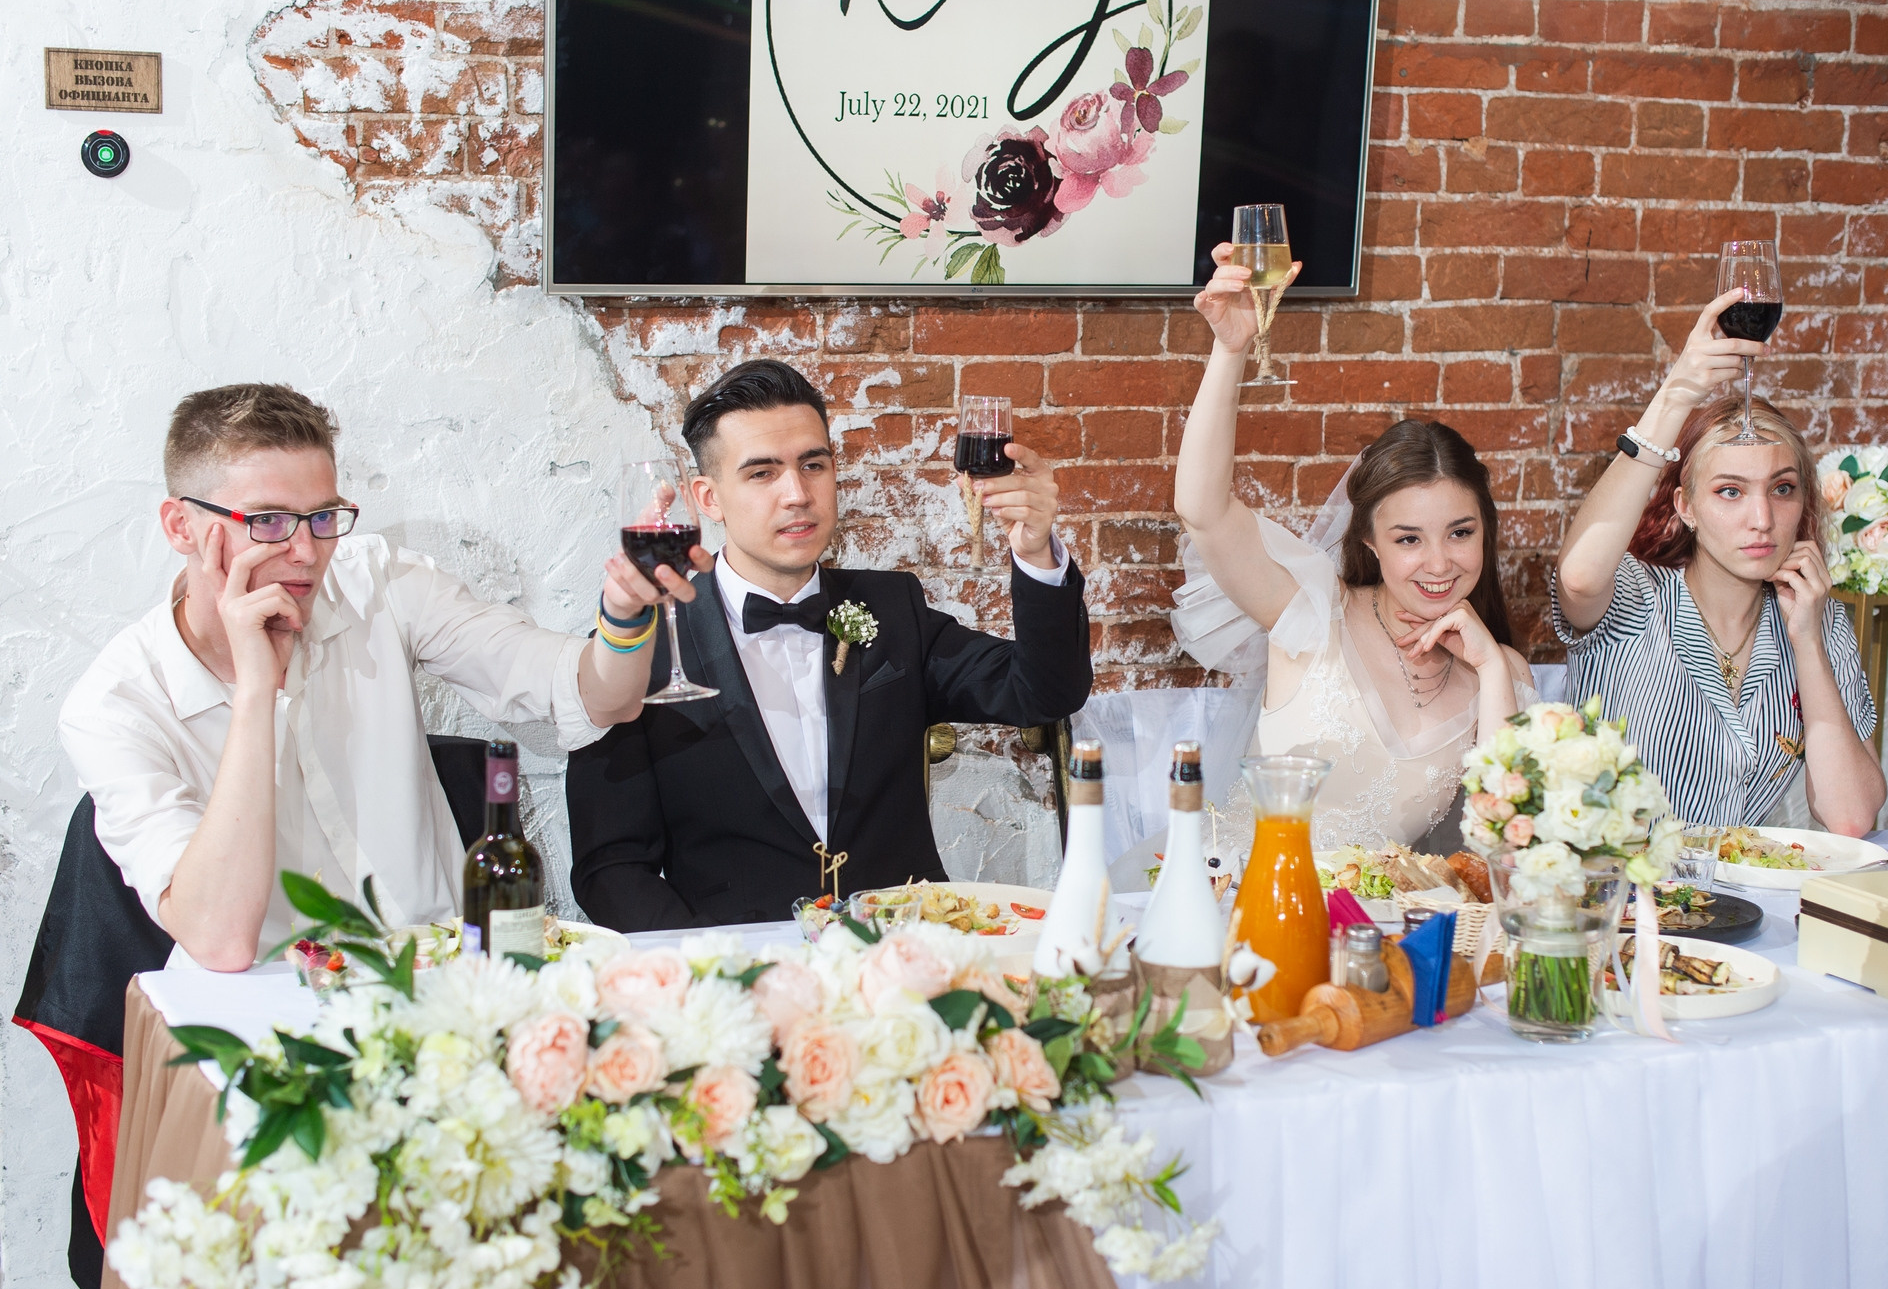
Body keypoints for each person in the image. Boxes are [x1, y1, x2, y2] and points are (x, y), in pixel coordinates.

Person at [59, 384, 696, 972]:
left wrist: (623, 613)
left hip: (444, 986)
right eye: (268, 521)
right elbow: (220, 941)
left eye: (323, 517)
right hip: (268, 1015)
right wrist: (257, 694)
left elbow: (598, 696)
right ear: (181, 527)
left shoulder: (377, 582)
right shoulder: (114, 707)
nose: (306, 553)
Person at [565, 360, 1093, 929]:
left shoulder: (893, 608)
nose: (797, 494)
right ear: (708, 499)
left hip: (905, 947)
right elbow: (611, 869)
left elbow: (1043, 693)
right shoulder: (632, 656)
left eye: (813, 465)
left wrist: (1036, 555)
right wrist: (716, 963)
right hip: (741, 960)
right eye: (762, 473)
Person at [1171, 245, 1537, 849]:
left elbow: (1508, 849)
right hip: (1252, 890)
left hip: (1384, 910)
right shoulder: (1313, 612)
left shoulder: (1501, 674)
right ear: (1369, 539)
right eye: (1408, 539)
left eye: (1460, 533)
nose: (1439, 563)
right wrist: (1230, 351)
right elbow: (1203, 513)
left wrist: (1493, 667)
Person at [1551, 290, 1883, 835]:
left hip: (1738, 887)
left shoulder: (1818, 619)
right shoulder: (1634, 595)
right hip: (1615, 884)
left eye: (1782, 488)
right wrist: (1678, 392)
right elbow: (1579, 576)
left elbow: (1851, 817)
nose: (1762, 519)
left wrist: (1807, 642)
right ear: (1686, 507)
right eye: (1730, 491)